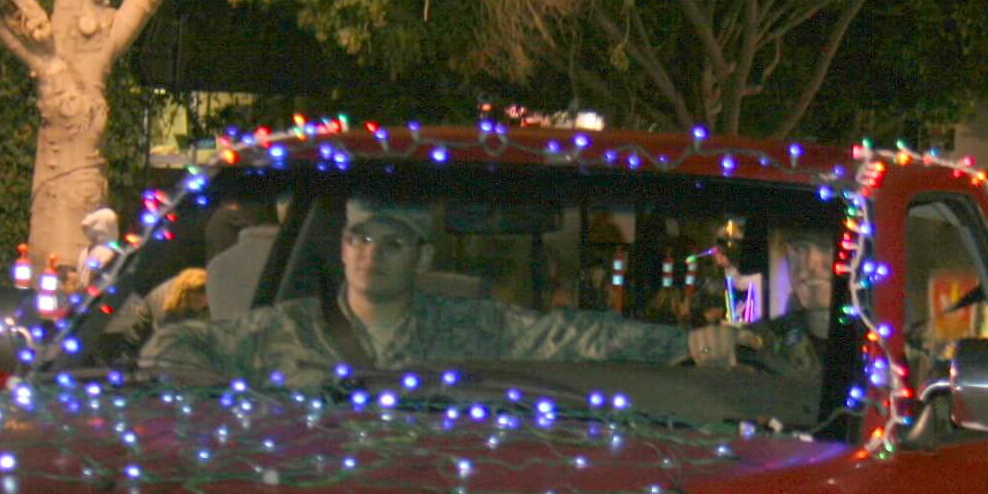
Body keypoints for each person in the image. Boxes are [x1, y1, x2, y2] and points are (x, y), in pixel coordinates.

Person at [137, 197, 748, 386]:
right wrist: (242, 412)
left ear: (423, 255)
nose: (370, 254)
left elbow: (574, 335)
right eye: (359, 239)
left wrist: (686, 343)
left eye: (392, 243)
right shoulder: (285, 327)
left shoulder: (470, 327)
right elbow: (176, 347)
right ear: (343, 246)